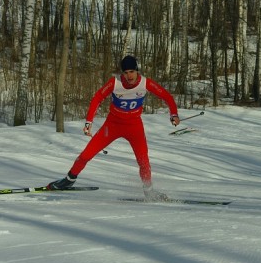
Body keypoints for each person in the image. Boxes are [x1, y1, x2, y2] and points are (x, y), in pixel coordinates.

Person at [47, 55, 180, 200]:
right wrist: (88, 122)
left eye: (131, 71)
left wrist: (174, 114)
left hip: (134, 127)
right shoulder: (115, 83)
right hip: (112, 125)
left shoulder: (146, 83)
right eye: (126, 72)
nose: (129, 76)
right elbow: (97, 98)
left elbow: (166, 96)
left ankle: (149, 191)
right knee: (86, 154)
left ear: (137, 71)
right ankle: (69, 180)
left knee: (144, 161)